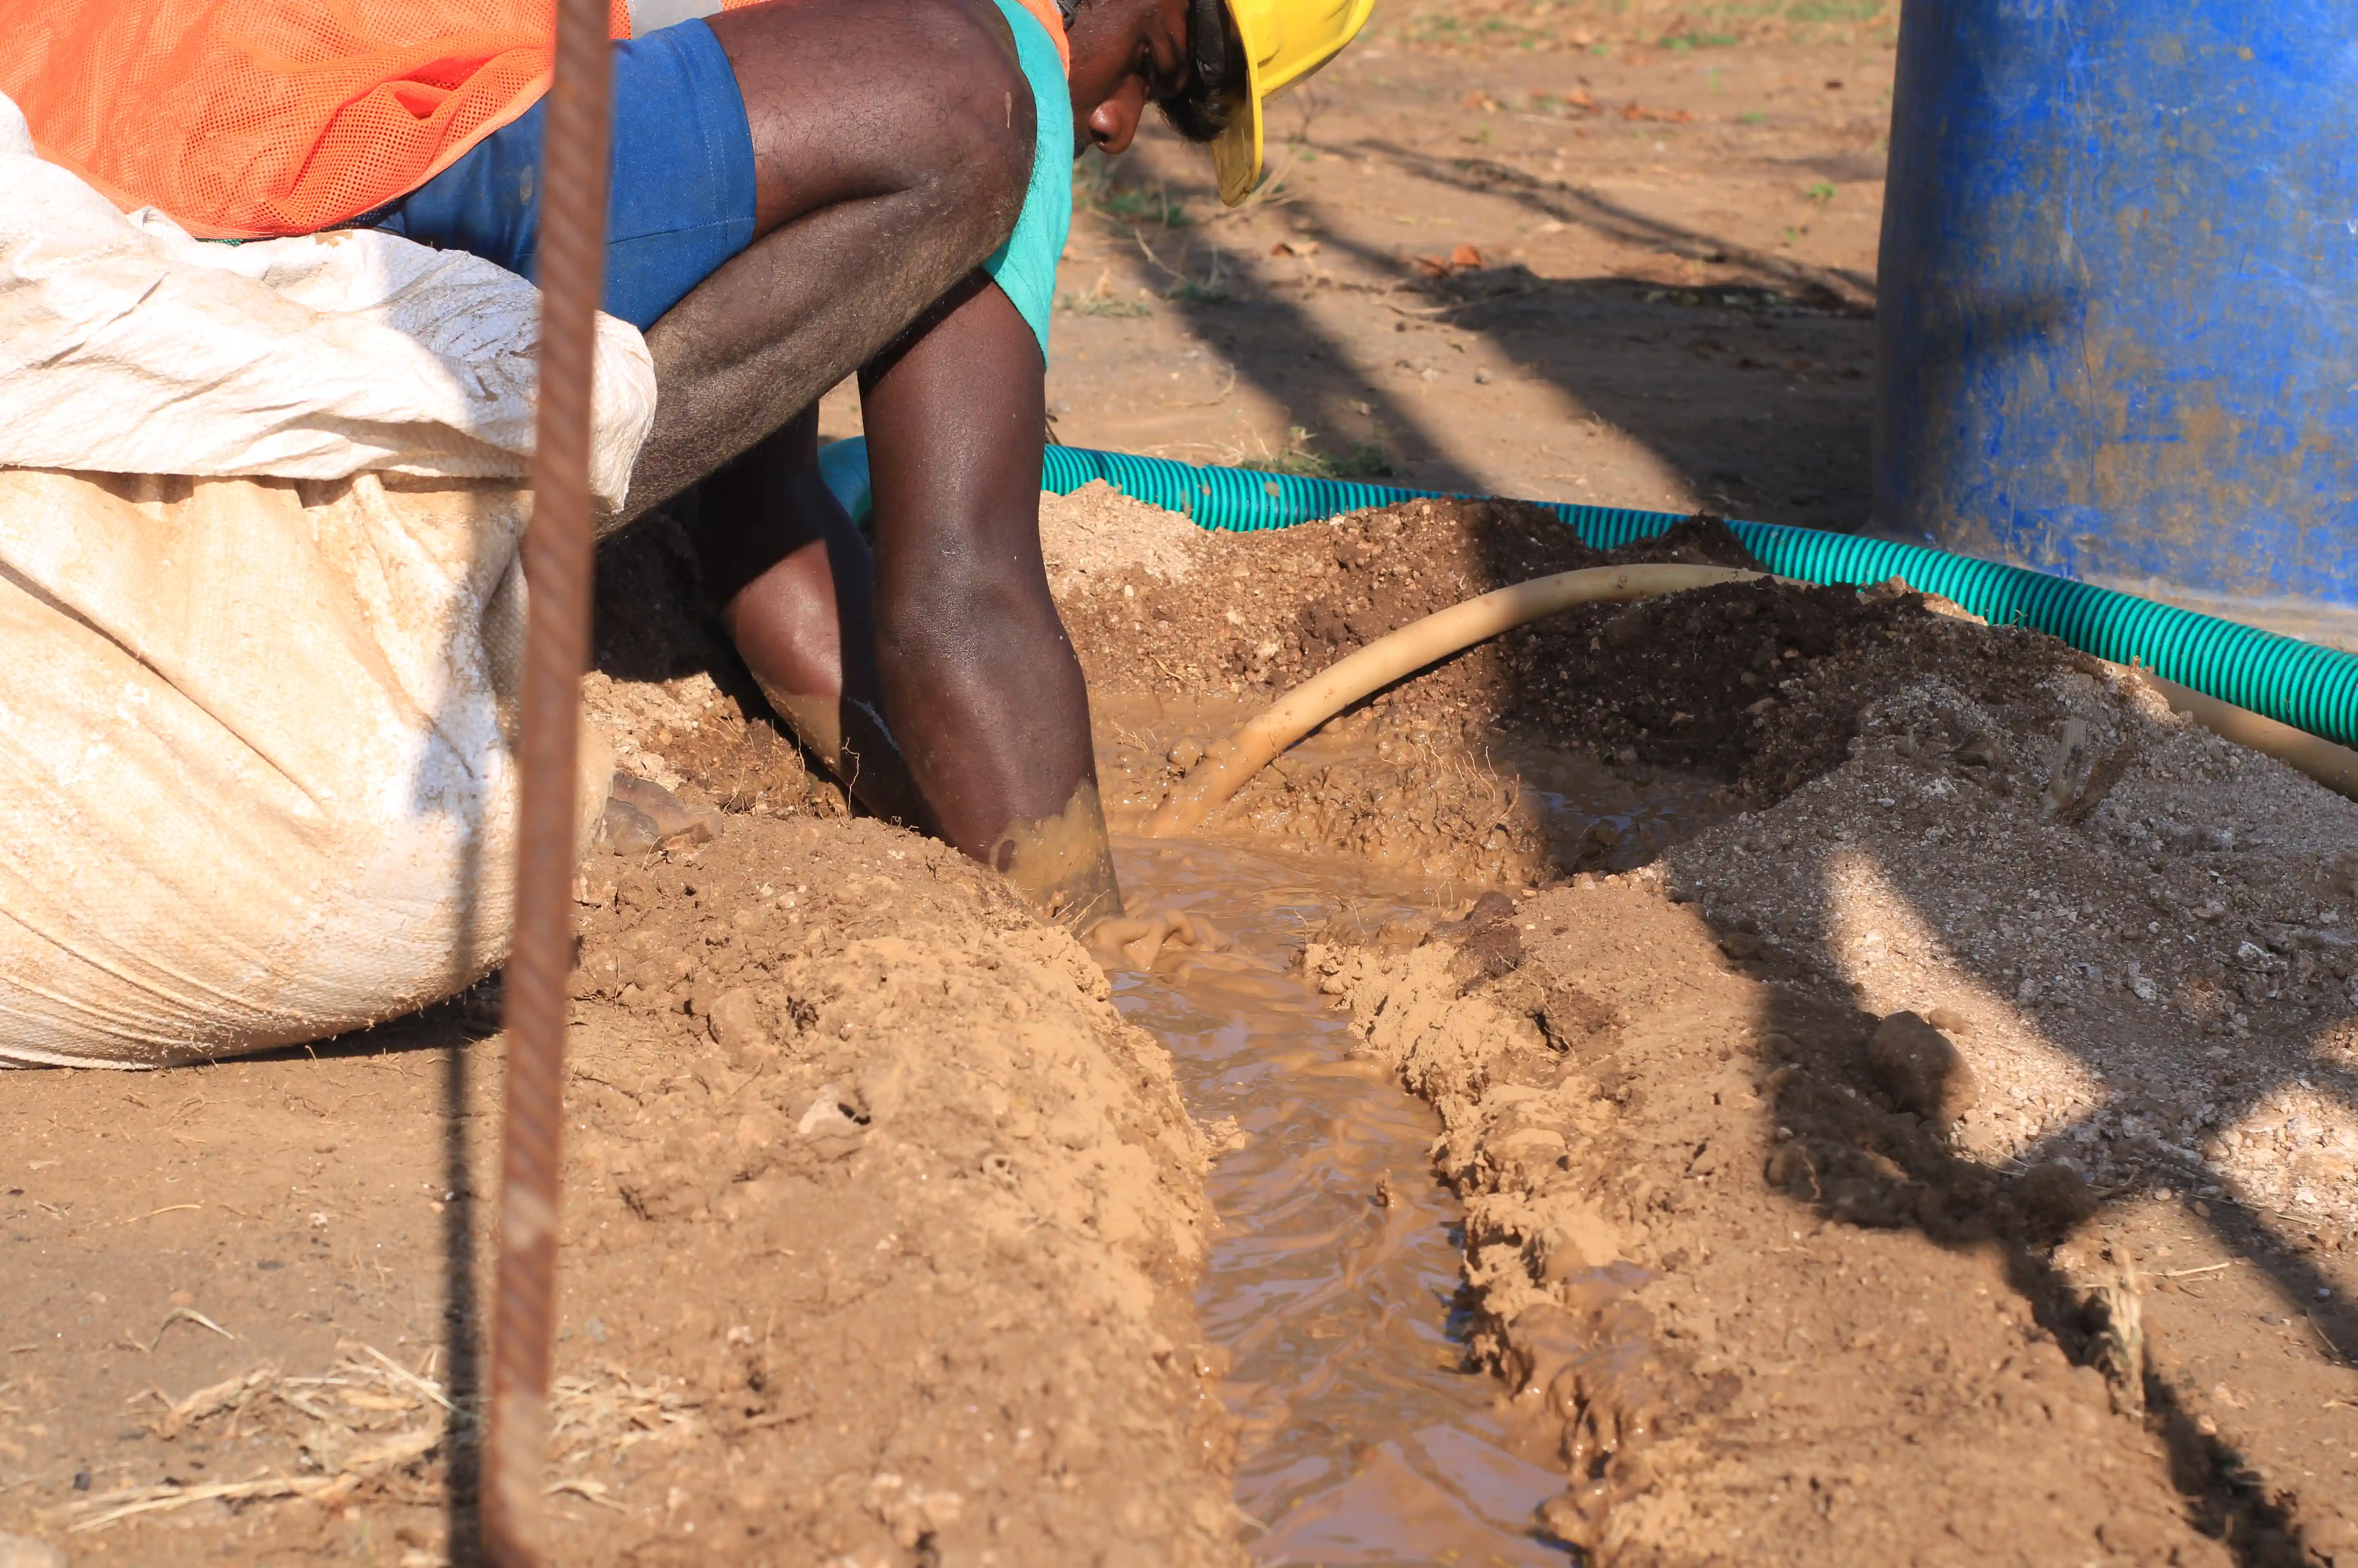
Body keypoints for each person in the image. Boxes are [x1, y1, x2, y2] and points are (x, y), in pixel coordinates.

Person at [0, 0, 1373, 929]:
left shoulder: (825, 69)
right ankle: (416, 612)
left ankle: (429, 583)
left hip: (136, 115)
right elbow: (968, 600)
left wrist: (931, 818)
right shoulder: (992, 52)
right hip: (286, 175)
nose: (1127, 121)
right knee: (978, 118)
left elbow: (759, 529)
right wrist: (1108, 956)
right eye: (1173, 67)